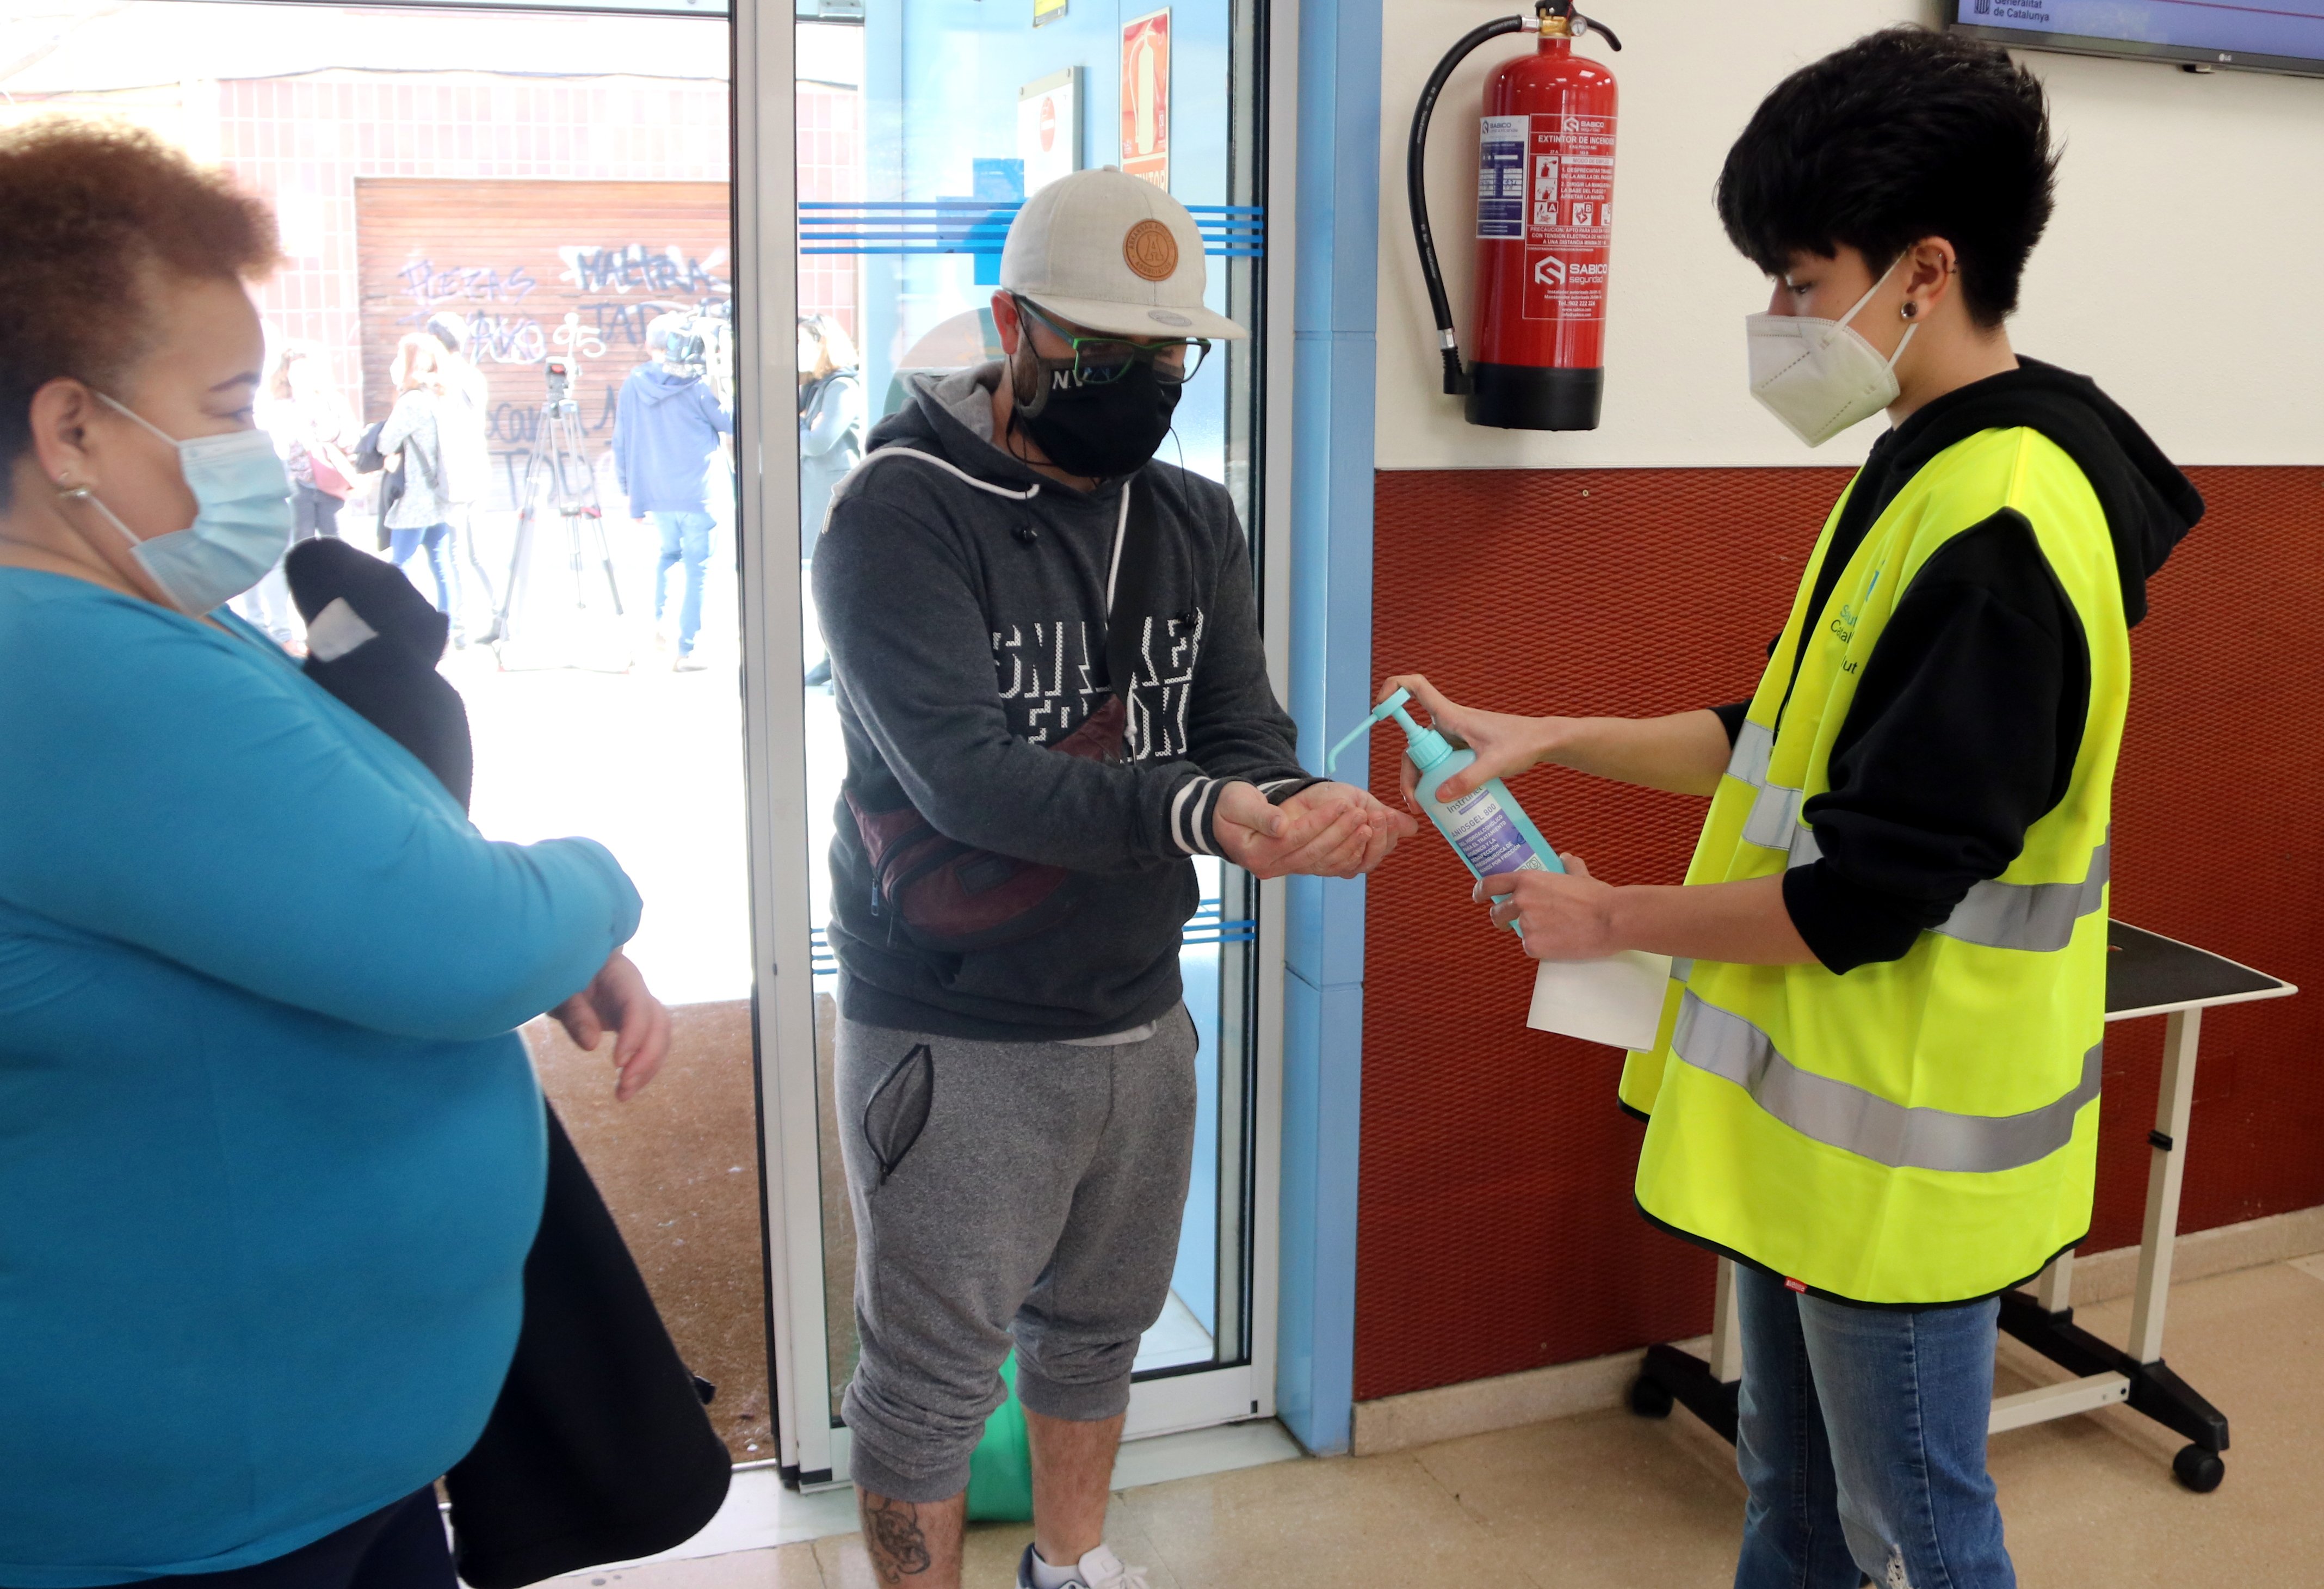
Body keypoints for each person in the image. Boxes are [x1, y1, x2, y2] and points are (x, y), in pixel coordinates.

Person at [1384, 30, 2201, 1589]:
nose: (1777, 320)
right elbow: (1776, 740)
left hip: (1899, 1162)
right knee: (1796, 1503)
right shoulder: (1927, 456)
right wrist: (1544, 735)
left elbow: (1863, 896)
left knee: (1924, 1531)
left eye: (1801, 281)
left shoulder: (2011, 525)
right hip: (1813, 1142)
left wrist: (1605, 916)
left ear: (1925, 271)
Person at [0, 118, 671, 1588]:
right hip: (197, 1501)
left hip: (295, 1459)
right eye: (227, 400)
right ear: (70, 432)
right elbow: (459, 934)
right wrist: (594, 884)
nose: (254, 442)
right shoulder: (61, 666)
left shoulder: (139, 620)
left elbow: (347, 863)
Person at [813, 167, 1417, 1589]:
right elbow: (965, 777)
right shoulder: (896, 517)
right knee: (930, 1380)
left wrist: (1292, 798)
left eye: (1169, 353)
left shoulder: (1196, 519)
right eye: (1107, 348)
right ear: (1014, 330)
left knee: (1099, 1326)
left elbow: (1237, 726)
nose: (1144, 381)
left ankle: (1072, 1570)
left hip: (1141, 1009)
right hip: (957, 1030)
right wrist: (1211, 812)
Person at [612, 312, 733, 673]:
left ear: (650, 347)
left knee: (667, 557)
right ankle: (688, 649)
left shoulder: (634, 383)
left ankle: (659, 625)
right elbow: (730, 422)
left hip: (657, 493)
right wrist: (719, 379)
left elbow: (622, 439)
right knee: (699, 567)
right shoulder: (699, 384)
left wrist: (629, 491)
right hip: (700, 492)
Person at [799, 313, 862, 689]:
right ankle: (828, 659)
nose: (796, 352)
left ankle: (838, 664)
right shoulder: (815, 388)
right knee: (820, 581)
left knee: (833, 581)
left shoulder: (842, 388)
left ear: (823, 344)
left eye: (802, 343)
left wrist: (797, 426)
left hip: (834, 498)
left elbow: (818, 442)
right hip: (814, 495)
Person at [425, 309, 495, 639]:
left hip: (456, 476)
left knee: (460, 553)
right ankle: (498, 616)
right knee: (474, 552)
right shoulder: (472, 375)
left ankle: (466, 625)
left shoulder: (445, 380)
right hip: (476, 470)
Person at [378, 331, 457, 614]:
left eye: (400, 357)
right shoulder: (440, 396)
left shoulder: (412, 401)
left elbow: (385, 442)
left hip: (416, 497)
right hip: (440, 494)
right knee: (440, 562)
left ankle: (400, 624)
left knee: (400, 565)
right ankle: (448, 625)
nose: (396, 363)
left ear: (412, 363)